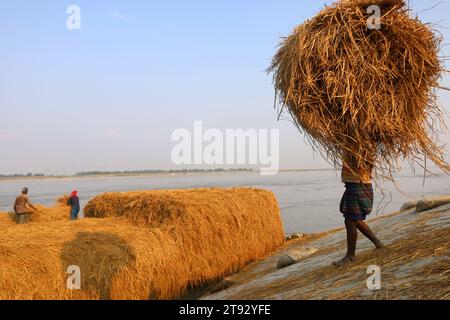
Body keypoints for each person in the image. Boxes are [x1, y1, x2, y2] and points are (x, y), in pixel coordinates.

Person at [333, 150, 385, 267]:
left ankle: (350, 256)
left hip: (358, 185)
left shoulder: (360, 147)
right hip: (359, 185)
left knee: (350, 220)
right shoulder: (360, 146)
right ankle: (378, 243)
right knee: (355, 219)